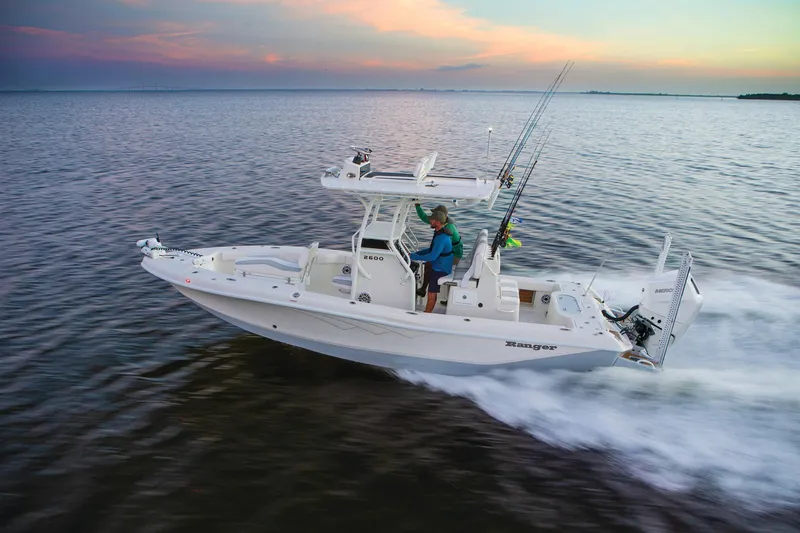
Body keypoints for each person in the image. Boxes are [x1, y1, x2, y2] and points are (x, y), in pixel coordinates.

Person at [410, 211, 453, 313]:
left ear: (437, 222)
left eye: (432, 220)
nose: (430, 221)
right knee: (428, 266)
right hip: (442, 263)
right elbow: (431, 250)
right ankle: (423, 290)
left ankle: (427, 314)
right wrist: (416, 254)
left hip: (441, 268)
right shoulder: (439, 233)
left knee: (431, 292)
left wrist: (412, 256)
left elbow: (432, 256)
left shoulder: (441, 238)